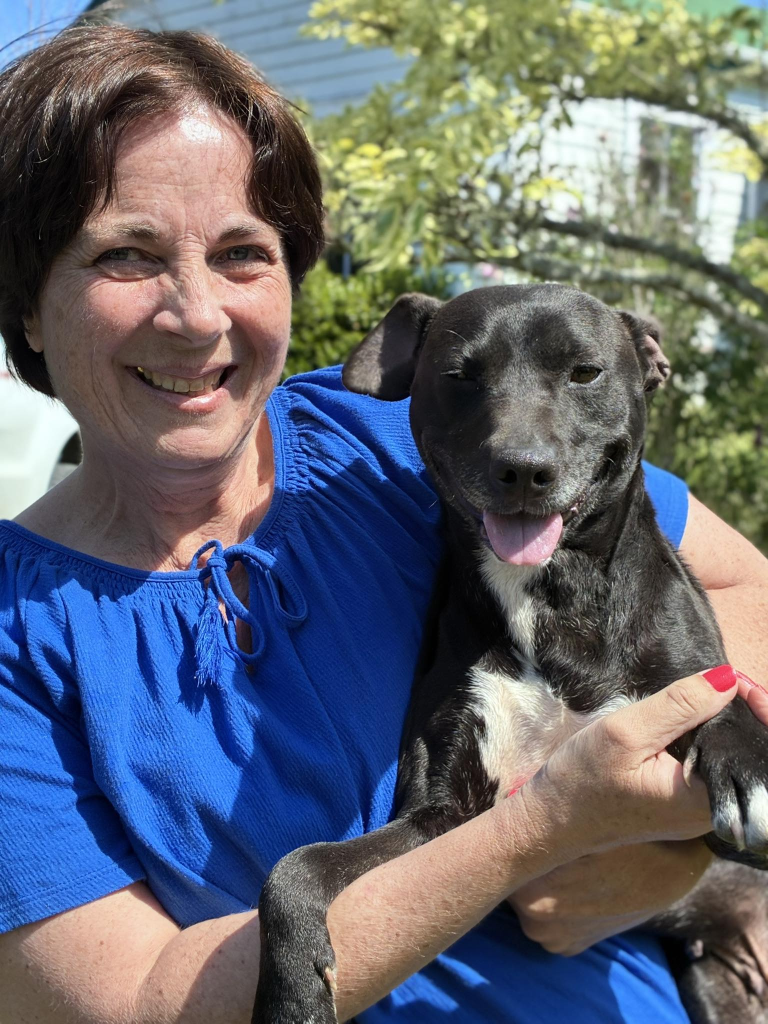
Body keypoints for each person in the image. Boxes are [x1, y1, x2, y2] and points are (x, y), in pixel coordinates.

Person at [0, 24, 766, 1024]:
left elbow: (743, 588)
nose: (197, 316)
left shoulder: (402, 431)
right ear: (25, 304)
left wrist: (682, 850)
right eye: (127, 255)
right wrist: (541, 832)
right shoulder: (19, 639)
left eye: (241, 253)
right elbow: (133, 1002)